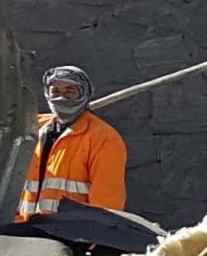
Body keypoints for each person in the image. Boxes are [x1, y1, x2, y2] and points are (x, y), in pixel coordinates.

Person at [22, 64, 129, 218]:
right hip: (25, 228)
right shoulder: (33, 127)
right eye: (55, 92)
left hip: (71, 231)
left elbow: (107, 204)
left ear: (83, 94)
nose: (61, 97)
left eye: (69, 91)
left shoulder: (104, 138)